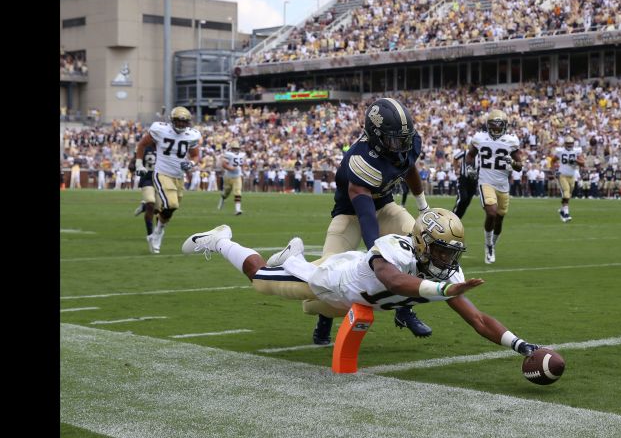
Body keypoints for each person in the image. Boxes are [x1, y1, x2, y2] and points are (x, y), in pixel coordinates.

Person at [181, 208, 540, 357]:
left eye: (452, 252)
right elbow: (394, 281)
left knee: (314, 311)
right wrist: (442, 290)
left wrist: (522, 346)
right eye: (442, 251)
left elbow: (478, 321)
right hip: (331, 281)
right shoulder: (396, 251)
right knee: (260, 281)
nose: (448, 261)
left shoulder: (446, 276)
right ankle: (222, 239)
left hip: (355, 301)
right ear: (422, 243)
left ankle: (291, 257)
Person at [312, 97, 434, 345]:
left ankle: (404, 309)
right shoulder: (360, 159)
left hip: (385, 206)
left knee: (422, 244)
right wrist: (377, 251)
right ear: (376, 136)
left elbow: (409, 168)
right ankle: (323, 323)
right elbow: (366, 215)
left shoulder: (405, 142)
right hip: (350, 215)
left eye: (404, 138)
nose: (401, 145)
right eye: (394, 139)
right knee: (326, 272)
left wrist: (423, 207)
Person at [134, 106, 201, 254]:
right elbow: (142, 144)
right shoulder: (161, 130)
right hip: (162, 173)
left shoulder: (192, 135)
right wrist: (139, 163)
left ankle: (158, 229)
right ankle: (157, 234)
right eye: (179, 121)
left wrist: (191, 163)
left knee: (172, 208)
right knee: (171, 203)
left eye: (184, 122)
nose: (182, 125)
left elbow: (196, 155)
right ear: (172, 120)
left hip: (179, 176)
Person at [466, 109, 524, 263]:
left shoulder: (511, 140)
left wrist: (512, 162)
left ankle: (492, 243)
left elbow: (519, 166)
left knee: (499, 219)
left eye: (499, 126)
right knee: (491, 213)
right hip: (485, 182)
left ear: (505, 126)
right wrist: (470, 168)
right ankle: (488, 245)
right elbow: (470, 155)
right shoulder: (480, 137)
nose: (496, 128)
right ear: (488, 125)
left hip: (503, 185)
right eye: (494, 125)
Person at [130, 144, 158, 252]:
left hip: (161, 180)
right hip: (147, 179)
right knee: (151, 203)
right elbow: (132, 164)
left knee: (159, 210)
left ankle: (144, 207)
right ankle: (150, 235)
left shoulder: (166, 147)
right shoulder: (144, 148)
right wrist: (135, 167)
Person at [550, 136, 584, 222]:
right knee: (566, 193)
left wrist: (575, 161)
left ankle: (562, 210)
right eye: (568, 144)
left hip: (572, 176)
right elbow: (552, 161)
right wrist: (554, 171)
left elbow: (583, 163)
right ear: (565, 144)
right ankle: (566, 213)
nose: (569, 145)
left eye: (571, 144)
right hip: (562, 175)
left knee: (568, 195)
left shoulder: (576, 151)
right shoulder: (560, 152)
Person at [218, 140, 245, 215]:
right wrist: (231, 168)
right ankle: (222, 198)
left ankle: (238, 209)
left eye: (237, 148)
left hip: (237, 176)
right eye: (234, 148)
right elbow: (223, 164)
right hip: (228, 176)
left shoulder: (241, 155)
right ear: (231, 148)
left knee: (237, 191)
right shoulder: (228, 154)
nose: (236, 150)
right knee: (226, 192)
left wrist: (243, 169)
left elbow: (242, 164)